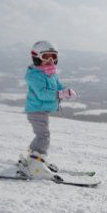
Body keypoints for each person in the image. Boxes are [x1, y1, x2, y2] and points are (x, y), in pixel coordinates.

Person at [17, 40, 76, 180]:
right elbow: (42, 93)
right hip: (36, 111)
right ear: (36, 57)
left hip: (42, 110)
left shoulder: (50, 73)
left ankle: (34, 158)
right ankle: (35, 166)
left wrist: (65, 91)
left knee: (41, 136)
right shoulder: (34, 75)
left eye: (53, 57)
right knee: (43, 137)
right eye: (46, 57)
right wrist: (59, 95)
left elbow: (58, 85)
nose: (50, 60)